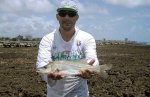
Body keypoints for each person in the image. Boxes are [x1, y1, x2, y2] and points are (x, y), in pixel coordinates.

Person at [36, 0, 99, 97]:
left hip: (80, 94)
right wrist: (49, 76)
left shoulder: (87, 37)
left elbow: (92, 59)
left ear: (77, 17)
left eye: (71, 14)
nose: (66, 17)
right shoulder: (47, 39)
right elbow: (42, 64)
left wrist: (92, 69)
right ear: (57, 17)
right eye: (62, 13)